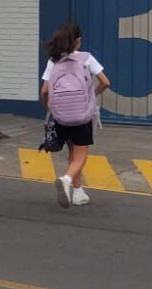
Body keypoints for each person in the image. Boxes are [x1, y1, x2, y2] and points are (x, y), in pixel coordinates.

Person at [40, 21, 110, 209]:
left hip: (61, 114)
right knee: (80, 155)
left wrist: (49, 107)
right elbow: (105, 82)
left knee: (72, 152)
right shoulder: (87, 58)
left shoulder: (53, 60)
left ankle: (78, 193)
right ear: (78, 40)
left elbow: (45, 90)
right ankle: (66, 179)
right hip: (81, 115)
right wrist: (91, 95)